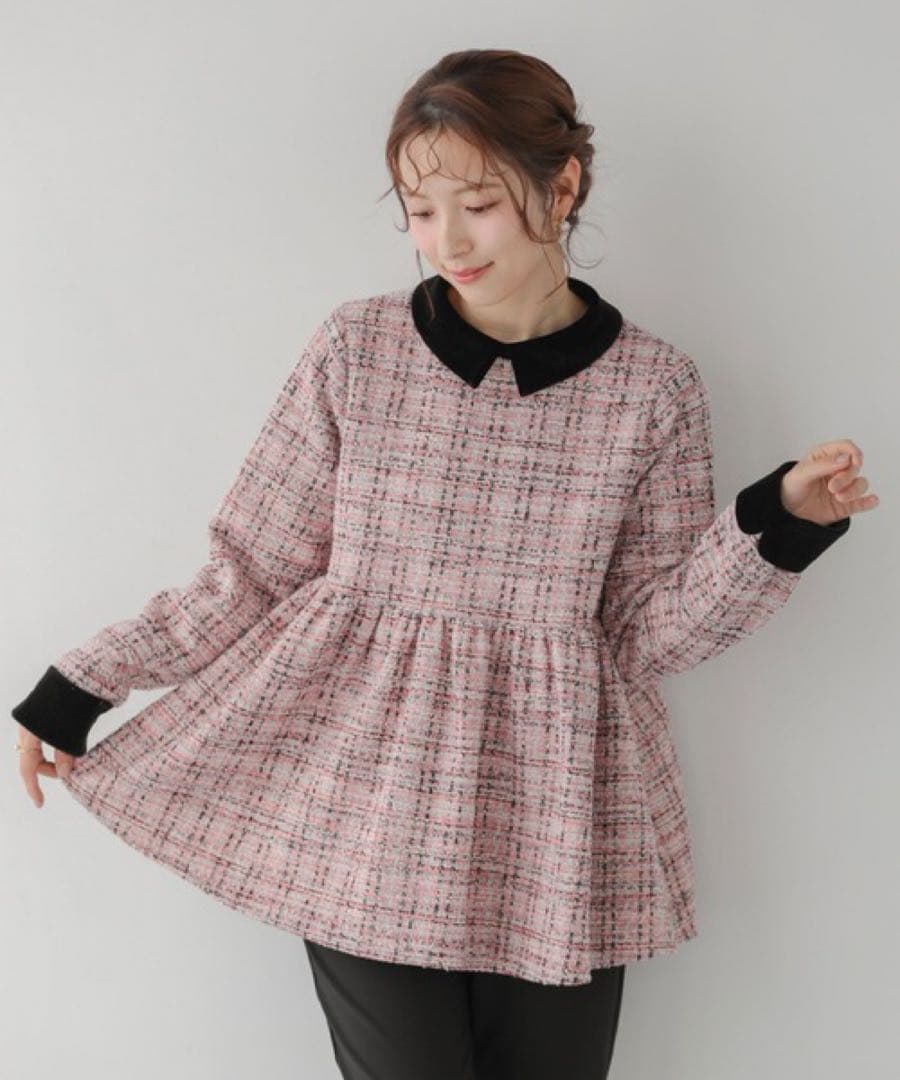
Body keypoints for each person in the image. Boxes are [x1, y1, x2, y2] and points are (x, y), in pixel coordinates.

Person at [12, 48, 878, 1079]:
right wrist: (84, 683)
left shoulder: (653, 388)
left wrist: (778, 521)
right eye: (421, 211)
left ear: (563, 186)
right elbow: (249, 570)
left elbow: (649, 632)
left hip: (557, 815)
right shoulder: (358, 351)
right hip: (369, 810)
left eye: (479, 204)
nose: (448, 241)